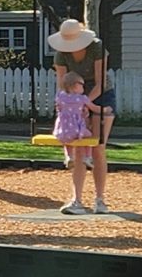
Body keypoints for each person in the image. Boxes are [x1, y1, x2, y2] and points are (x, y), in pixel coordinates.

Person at [48, 16, 116, 212]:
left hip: (100, 94)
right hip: (74, 97)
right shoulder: (61, 54)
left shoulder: (96, 48)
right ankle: (77, 200)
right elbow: (62, 82)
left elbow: (100, 81)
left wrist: (86, 102)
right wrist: (65, 103)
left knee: (97, 146)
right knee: (78, 148)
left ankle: (100, 199)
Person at [49, 54, 100, 212]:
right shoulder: (82, 98)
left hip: (63, 128)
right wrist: (106, 110)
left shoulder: (60, 96)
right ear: (74, 86)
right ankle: (88, 157)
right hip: (77, 129)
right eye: (81, 85)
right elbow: (94, 108)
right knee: (88, 137)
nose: (83, 88)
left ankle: (68, 156)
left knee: (66, 141)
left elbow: (58, 107)